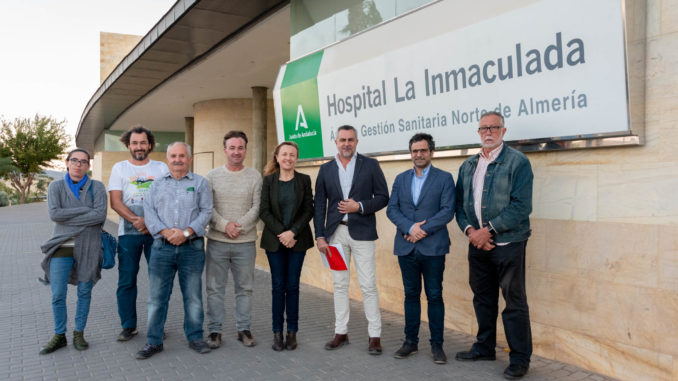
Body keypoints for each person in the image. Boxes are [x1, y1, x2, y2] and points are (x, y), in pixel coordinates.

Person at [454, 111, 534, 380]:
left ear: (503, 130)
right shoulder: (468, 165)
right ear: (478, 132)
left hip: (508, 244)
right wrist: (471, 232)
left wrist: (487, 231)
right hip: (477, 244)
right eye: (483, 128)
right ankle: (485, 347)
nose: (488, 132)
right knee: (483, 298)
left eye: (494, 127)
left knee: (514, 302)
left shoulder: (518, 163)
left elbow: (521, 207)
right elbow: (460, 207)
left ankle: (520, 359)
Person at [314, 125, 389, 355]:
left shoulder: (370, 165)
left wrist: (360, 206)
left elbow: (384, 197)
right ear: (335, 142)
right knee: (339, 284)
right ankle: (341, 332)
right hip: (335, 235)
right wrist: (320, 235)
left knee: (367, 285)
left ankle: (374, 336)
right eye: (342, 140)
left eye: (350, 139)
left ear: (356, 142)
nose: (346, 143)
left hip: (363, 233)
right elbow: (319, 204)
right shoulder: (326, 169)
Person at [135, 142, 212, 359]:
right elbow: (149, 213)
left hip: (192, 248)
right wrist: (168, 233)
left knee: (193, 296)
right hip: (161, 248)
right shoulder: (156, 184)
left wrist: (186, 233)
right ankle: (153, 341)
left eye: (182, 155)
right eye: (173, 156)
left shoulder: (200, 183)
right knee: (157, 298)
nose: (177, 159)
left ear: (189, 158)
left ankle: (195, 337)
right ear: (168, 159)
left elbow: (207, 211)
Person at [386, 133, 455, 364]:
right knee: (411, 295)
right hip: (406, 247)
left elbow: (447, 210)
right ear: (411, 153)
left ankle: (437, 346)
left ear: (431, 152)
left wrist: (422, 230)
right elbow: (392, 209)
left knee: (435, 296)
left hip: (433, 247)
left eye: (423, 150)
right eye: (415, 151)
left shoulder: (444, 178)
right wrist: (410, 227)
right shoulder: (400, 178)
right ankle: (410, 342)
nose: (419, 154)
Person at [39, 149, 107, 354]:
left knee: (84, 291)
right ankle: (60, 335)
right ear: (67, 163)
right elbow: (55, 215)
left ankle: (79, 333)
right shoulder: (56, 186)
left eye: (83, 161)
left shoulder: (97, 187)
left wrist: (71, 218)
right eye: (74, 160)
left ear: (88, 166)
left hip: (90, 244)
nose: (78, 164)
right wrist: (86, 210)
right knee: (58, 292)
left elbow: (100, 215)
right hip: (64, 242)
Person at [108, 125, 168, 342]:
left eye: (143, 142)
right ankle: (128, 326)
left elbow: (166, 199)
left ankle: (157, 325)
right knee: (126, 281)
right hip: (128, 234)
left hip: (157, 234)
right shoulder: (119, 168)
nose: (139, 146)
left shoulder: (161, 168)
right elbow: (115, 202)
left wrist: (149, 222)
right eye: (135, 143)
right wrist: (136, 220)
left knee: (158, 281)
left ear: (150, 144)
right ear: (128, 145)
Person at [204, 131, 262, 349]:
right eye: (232, 148)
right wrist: (224, 225)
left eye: (240, 148)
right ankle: (215, 330)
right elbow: (207, 207)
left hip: (245, 244)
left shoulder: (255, 176)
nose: (236, 152)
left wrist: (238, 227)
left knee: (245, 288)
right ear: (224, 150)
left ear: (245, 149)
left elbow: (257, 207)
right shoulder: (212, 176)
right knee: (214, 288)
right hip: (217, 242)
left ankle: (244, 329)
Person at [259, 141, 314, 351]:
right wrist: (283, 233)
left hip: (297, 241)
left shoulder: (304, 180)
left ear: (296, 158)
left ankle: (292, 332)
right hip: (275, 242)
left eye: (292, 155)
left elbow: (308, 209)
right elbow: (264, 211)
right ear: (277, 156)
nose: (288, 158)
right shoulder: (268, 181)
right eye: (284, 154)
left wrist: (292, 232)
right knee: (277, 287)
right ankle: (276, 333)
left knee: (293, 287)